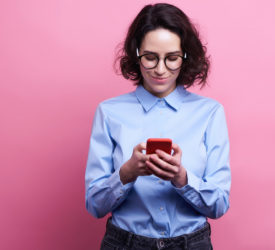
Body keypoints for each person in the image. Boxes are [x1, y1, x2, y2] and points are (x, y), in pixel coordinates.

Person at [85, 3, 231, 250]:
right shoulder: (109, 112)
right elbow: (94, 205)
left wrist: (183, 178)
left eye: (172, 58)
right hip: (124, 243)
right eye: (150, 58)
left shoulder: (210, 113)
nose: (160, 70)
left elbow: (219, 205)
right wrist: (126, 173)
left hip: (191, 244)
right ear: (136, 54)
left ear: (185, 57)